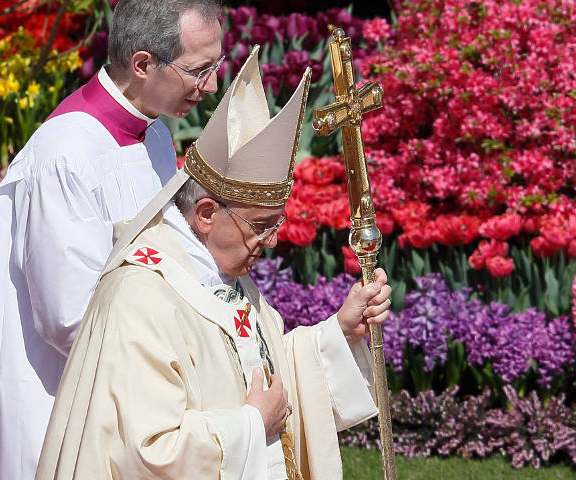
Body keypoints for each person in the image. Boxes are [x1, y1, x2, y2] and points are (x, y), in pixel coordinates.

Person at [36, 46, 390, 480]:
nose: (272, 240)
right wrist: (250, 426)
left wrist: (340, 330)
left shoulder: (220, 273)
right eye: (259, 225)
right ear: (205, 215)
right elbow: (146, 452)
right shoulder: (141, 297)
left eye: (276, 223)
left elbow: (260, 372)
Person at [0, 1, 224, 478]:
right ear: (142, 65)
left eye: (215, 66)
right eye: (199, 71)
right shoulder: (67, 154)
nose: (212, 86)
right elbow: (70, 317)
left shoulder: (155, 136)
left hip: (134, 380)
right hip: (70, 400)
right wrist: (180, 361)